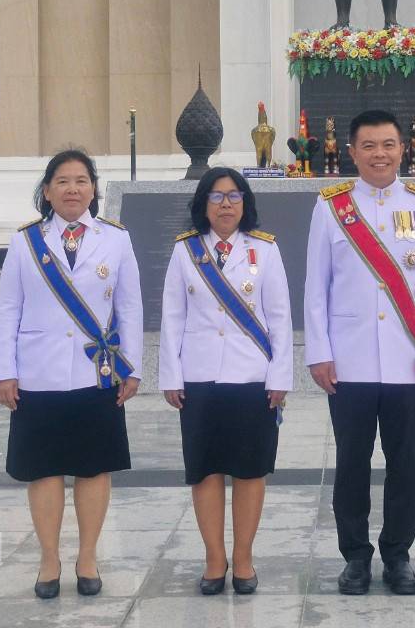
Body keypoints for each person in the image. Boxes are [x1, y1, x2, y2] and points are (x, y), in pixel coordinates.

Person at [304, 108, 415, 595]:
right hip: (349, 362)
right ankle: (355, 556)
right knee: (351, 463)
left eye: (388, 145)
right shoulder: (331, 207)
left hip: (408, 360)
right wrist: (319, 352)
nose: (379, 154)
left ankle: (398, 555)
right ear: (351, 152)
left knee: (404, 464)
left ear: (403, 149)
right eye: (369, 146)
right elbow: (316, 286)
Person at [0, 149, 143, 599]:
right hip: (38, 374)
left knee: (94, 469)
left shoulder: (116, 240)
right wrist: (5, 370)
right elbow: (8, 309)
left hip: (96, 374)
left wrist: (130, 366)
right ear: (47, 190)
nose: (73, 189)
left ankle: (89, 556)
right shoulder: (26, 242)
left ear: (94, 189)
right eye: (63, 181)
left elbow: (130, 306)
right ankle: (49, 558)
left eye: (81, 180)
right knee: (44, 470)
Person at [159, 168, 293, 596]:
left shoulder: (265, 250)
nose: (226, 205)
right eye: (216, 197)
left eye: (234, 196)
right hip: (199, 378)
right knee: (206, 471)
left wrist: (280, 377)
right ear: (203, 204)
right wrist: (170, 375)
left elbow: (280, 320)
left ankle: (244, 558)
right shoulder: (186, 252)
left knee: (251, 471)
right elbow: (172, 318)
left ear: (245, 203)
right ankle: (214, 558)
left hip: (251, 378)